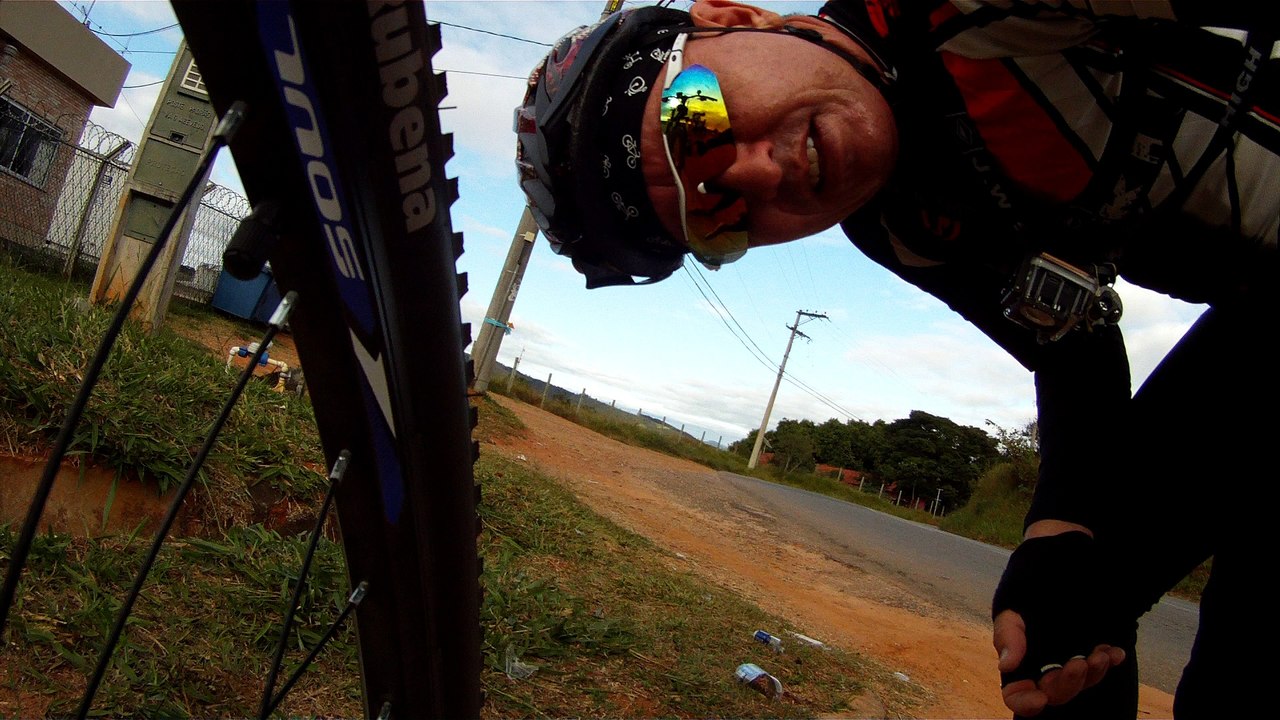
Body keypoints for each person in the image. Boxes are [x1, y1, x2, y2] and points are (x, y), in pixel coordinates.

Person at [514, 1, 1276, 717]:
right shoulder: (895, 221)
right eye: (715, 217)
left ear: (732, 17)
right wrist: (1058, 529)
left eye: (694, 125)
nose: (749, 177)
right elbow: (1070, 335)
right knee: (1065, 621)